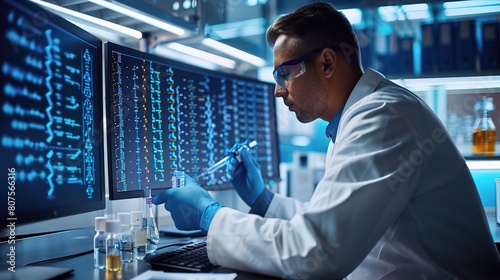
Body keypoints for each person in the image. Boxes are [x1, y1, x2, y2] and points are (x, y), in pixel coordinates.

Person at [153, 2, 500, 279]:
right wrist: (262, 199)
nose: (278, 90)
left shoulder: (383, 117)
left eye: (284, 74)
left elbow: (317, 252)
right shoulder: (359, 115)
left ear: (328, 63)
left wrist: (208, 214)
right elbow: (333, 221)